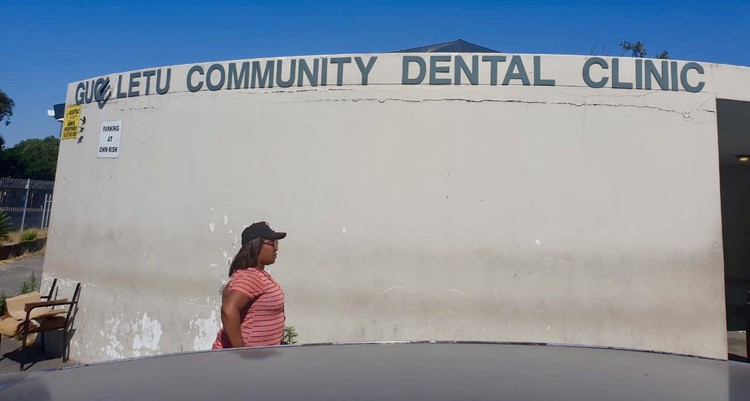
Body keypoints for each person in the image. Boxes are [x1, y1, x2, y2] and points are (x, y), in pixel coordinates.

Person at [212, 222, 287, 349]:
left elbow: (227, 292)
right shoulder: (251, 276)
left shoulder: (255, 274)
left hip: (258, 359)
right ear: (256, 245)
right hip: (242, 362)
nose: (276, 248)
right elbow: (228, 310)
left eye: (277, 243)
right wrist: (242, 353)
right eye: (272, 243)